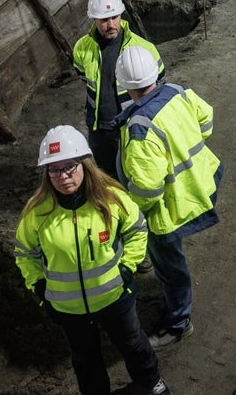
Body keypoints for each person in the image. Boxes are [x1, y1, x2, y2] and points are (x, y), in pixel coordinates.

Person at [14, 125, 171, 395]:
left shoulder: (111, 200)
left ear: (85, 165)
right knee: (85, 360)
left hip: (115, 297)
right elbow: (24, 253)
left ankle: (152, 383)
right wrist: (40, 288)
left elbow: (136, 231)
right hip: (69, 309)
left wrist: (126, 268)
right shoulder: (36, 213)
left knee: (134, 344)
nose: (63, 176)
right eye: (54, 169)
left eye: (69, 167)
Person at [114, 46, 222, 349]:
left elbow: (148, 189)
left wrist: (130, 218)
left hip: (168, 209)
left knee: (170, 265)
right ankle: (178, 314)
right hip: (198, 184)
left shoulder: (139, 129)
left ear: (123, 84)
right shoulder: (179, 91)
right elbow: (207, 120)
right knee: (172, 262)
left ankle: (178, 323)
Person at [73, 0, 165, 175]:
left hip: (132, 125)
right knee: (108, 177)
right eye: (104, 20)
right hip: (99, 128)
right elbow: (84, 76)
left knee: (136, 173)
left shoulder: (144, 49)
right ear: (94, 20)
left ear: (121, 15)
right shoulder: (82, 47)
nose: (111, 24)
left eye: (114, 17)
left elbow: (159, 86)